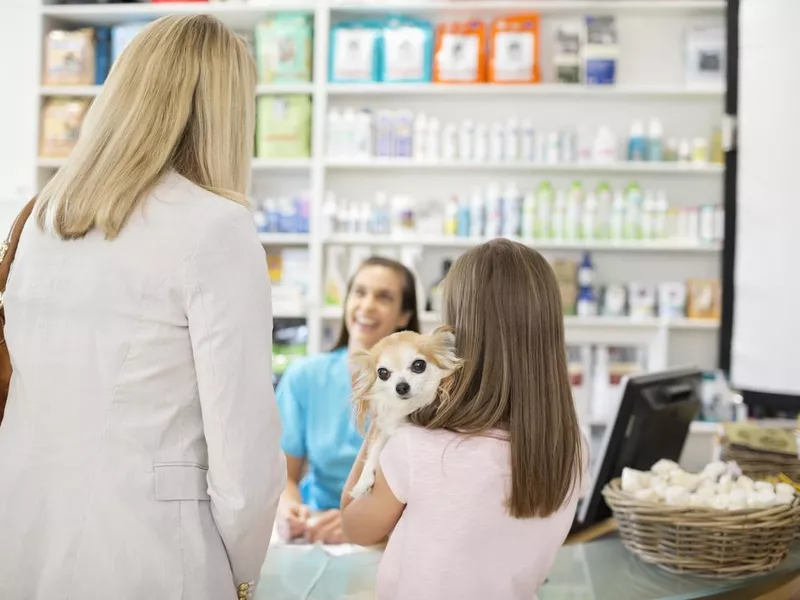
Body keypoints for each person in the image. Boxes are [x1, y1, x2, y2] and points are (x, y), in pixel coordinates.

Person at [0, 16, 286, 600]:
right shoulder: (217, 229)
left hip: (23, 537)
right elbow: (242, 458)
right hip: (153, 555)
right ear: (226, 113)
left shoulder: (44, 219)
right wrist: (244, 573)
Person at [341, 239, 589, 600]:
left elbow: (354, 526)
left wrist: (386, 412)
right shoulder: (571, 446)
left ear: (458, 333)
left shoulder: (418, 445)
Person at [276, 256, 420, 544]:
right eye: (359, 292)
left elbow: (420, 493)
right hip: (314, 528)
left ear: (404, 316)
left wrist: (362, 528)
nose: (366, 306)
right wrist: (289, 508)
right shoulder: (305, 376)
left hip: (388, 535)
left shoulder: (419, 390)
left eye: (384, 297)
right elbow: (283, 476)